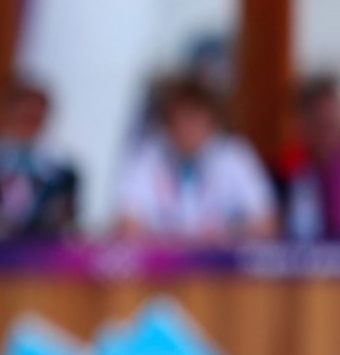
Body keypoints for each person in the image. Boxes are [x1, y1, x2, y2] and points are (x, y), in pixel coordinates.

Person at [112, 74, 277, 243]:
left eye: (195, 119)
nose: (188, 129)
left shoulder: (235, 157)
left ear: (213, 122)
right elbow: (127, 224)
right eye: (181, 119)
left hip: (220, 264)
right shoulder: (147, 157)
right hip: (166, 264)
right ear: (167, 123)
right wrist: (179, 241)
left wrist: (224, 233)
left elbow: (266, 224)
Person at [0, 78, 78, 240]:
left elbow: (66, 221)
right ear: (5, 115)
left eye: (37, 118)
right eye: (24, 117)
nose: (30, 126)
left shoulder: (62, 172)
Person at [273, 74, 340, 240]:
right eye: (319, 123)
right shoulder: (287, 175)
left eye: (332, 124)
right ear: (302, 123)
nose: (327, 134)